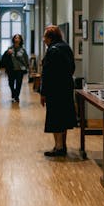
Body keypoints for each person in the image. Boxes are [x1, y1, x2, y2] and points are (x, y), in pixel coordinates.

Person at [40, 25, 77, 157]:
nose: (43, 40)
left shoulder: (52, 50)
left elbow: (48, 74)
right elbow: (72, 68)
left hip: (54, 90)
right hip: (66, 87)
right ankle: (62, 145)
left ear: (50, 38)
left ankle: (58, 147)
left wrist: (43, 93)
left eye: (45, 37)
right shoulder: (66, 47)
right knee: (64, 118)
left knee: (55, 118)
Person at [0, 34, 30, 103]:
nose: (17, 39)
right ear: (13, 39)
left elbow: (26, 59)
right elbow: (5, 59)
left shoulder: (23, 50)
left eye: (18, 38)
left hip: (20, 69)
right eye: (15, 38)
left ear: (20, 40)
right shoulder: (9, 49)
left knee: (19, 84)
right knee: (11, 83)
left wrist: (28, 67)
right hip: (11, 69)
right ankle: (13, 93)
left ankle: (16, 97)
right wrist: (8, 53)